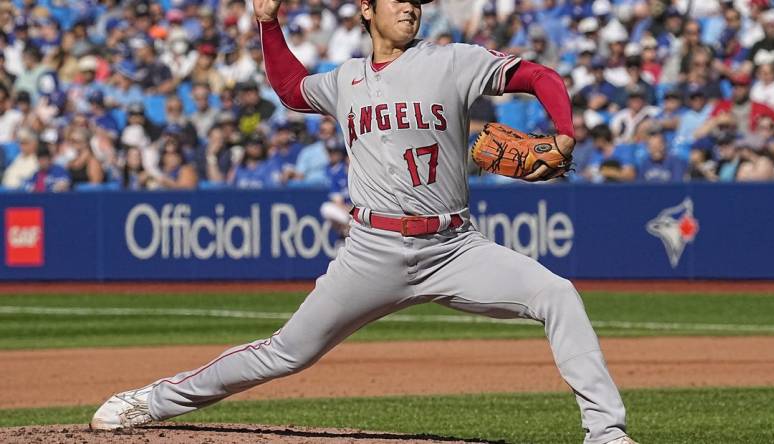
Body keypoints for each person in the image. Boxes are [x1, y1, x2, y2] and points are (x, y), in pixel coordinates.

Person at [91, 1, 636, 444]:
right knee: (286, 352)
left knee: (557, 294)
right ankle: (150, 401)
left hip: (454, 246)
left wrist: (564, 131)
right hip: (373, 249)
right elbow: (290, 89)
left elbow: (538, 74)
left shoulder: (453, 61)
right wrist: (268, 24)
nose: (411, 7)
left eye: (417, 1)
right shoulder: (345, 80)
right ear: (366, 10)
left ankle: (606, 434)